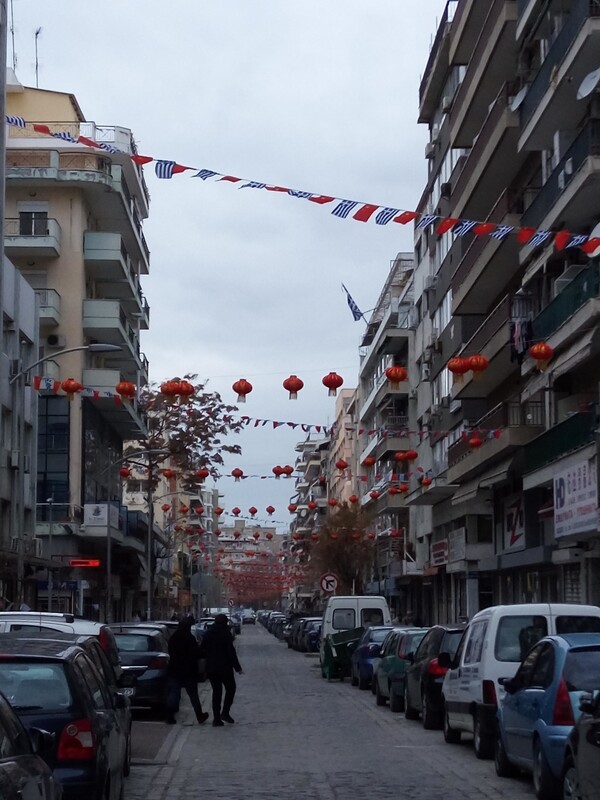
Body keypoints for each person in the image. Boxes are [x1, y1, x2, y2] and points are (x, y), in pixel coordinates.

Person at [200, 613, 243, 726]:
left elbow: (202, 649)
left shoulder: (208, 633)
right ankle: (225, 712)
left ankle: (217, 718)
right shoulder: (225, 633)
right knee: (231, 689)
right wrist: (237, 667)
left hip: (212, 668)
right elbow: (230, 652)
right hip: (225, 668)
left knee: (217, 692)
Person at [165, 617, 209, 725]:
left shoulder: (173, 638)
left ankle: (170, 716)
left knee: (174, 693)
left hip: (174, 669)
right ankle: (199, 715)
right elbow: (197, 653)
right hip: (189, 671)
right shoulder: (189, 638)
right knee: (193, 695)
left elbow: (170, 651)